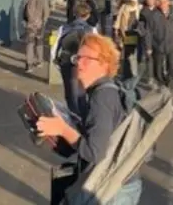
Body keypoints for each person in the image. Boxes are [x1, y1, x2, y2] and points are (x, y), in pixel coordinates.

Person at [37, 33, 143, 204]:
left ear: (102, 63)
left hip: (113, 190)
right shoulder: (105, 90)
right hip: (118, 183)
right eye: (77, 57)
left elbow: (94, 152)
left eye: (85, 58)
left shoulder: (101, 98)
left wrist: (62, 129)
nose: (78, 62)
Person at [51, 1, 97, 115]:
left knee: (69, 92)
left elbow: (55, 47)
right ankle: (83, 116)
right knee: (82, 92)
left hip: (66, 62)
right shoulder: (92, 30)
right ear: (88, 15)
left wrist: (56, 61)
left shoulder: (64, 28)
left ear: (75, 14)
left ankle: (73, 115)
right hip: (84, 64)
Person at [145, 0, 173, 87]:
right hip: (158, 44)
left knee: (172, 66)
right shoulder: (154, 15)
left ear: (168, 3)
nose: (162, 5)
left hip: (172, 43)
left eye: (164, 2)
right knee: (158, 67)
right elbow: (148, 32)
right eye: (160, 3)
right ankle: (161, 81)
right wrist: (148, 47)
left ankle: (170, 82)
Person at [24, 0, 50, 73]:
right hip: (40, 25)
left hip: (30, 24)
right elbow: (46, 13)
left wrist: (31, 21)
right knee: (39, 42)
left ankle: (29, 63)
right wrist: (43, 21)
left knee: (30, 43)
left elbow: (26, 12)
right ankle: (39, 60)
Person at [114, 0, 142, 79]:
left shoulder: (139, 7)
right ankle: (127, 73)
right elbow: (119, 17)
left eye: (134, 1)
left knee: (132, 53)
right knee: (128, 53)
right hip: (126, 31)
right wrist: (116, 28)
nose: (133, 3)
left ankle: (132, 72)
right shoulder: (124, 6)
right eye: (132, 1)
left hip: (136, 32)